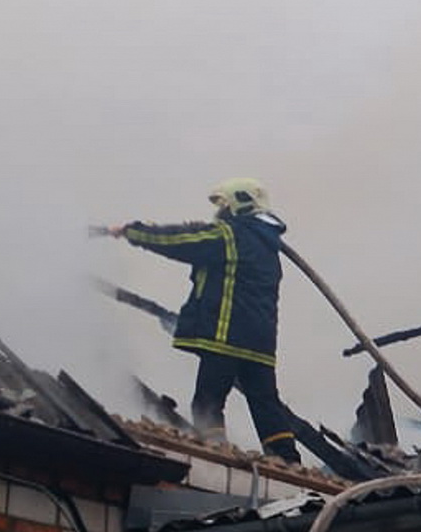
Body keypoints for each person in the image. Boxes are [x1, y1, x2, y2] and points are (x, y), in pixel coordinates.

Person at [110, 178, 300, 463]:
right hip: (260, 345)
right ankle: (288, 461)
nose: (219, 211)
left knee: (207, 401)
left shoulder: (230, 236)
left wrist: (133, 232)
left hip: (226, 337)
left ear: (240, 203)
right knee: (266, 405)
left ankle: (215, 454)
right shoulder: (268, 247)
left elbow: (180, 240)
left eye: (223, 205)